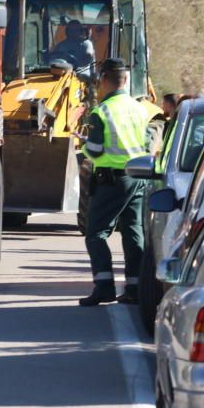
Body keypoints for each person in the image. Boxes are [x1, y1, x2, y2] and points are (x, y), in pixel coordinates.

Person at [77, 57, 152, 306]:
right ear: (126, 79)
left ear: (103, 80)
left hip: (112, 179)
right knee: (133, 233)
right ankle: (135, 287)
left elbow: (96, 151)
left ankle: (104, 286)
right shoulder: (140, 109)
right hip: (139, 178)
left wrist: (84, 144)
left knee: (96, 233)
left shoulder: (102, 112)